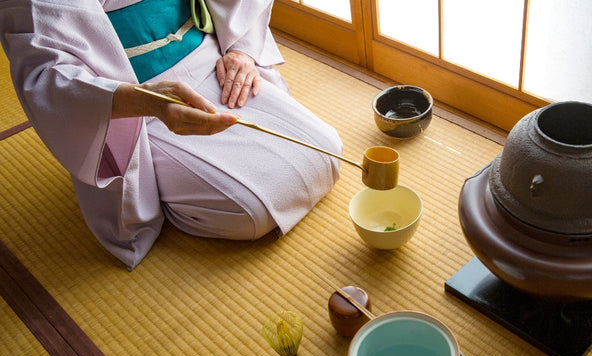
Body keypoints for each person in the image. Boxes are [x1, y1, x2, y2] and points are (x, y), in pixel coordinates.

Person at [0, 0, 342, 269]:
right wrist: (150, 103)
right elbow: (48, 75)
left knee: (328, 150)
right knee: (250, 210)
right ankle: (157, 183)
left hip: (210, 58)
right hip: (129, 97)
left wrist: (242, 50)